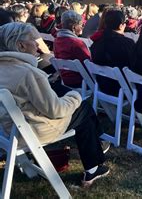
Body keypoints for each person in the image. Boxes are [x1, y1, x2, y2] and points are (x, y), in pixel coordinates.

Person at [0, 22, 109, 186]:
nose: (37, 44)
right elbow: (56, 110)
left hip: (7, 129)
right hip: (33, 130)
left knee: (78, 108)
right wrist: (75, 96)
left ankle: (98, 144)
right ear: (20, 45)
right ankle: (93, 168)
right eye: (33, 39)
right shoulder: (28, 73)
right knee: (83, 110)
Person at [90, 9, 135, 95]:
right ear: (121, 26)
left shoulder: (97, 42)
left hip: (102, 86)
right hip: (122, 88)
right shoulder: (127, 43)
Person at [53, 11, 91, 88]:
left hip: (65, 80)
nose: (82, 27)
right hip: (81, 82)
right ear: (74, 27)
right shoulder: (76, 43)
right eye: (81, 24)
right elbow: (88, 64)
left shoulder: (57, 40)